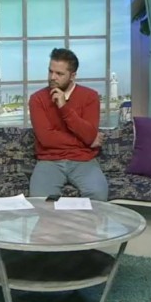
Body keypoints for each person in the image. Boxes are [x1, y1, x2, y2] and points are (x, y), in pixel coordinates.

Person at [28, 48, 108, 201]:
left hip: (83, 160)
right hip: (49, 161)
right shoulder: (37, 99)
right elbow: (46, 139)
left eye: (59, 74)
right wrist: (86, 141)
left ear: (73, 75)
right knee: (39, 200)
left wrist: (64, 107)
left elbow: (89, 133)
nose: (52, 77)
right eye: (50, 71)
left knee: (98, 194)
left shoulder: (90, 97)